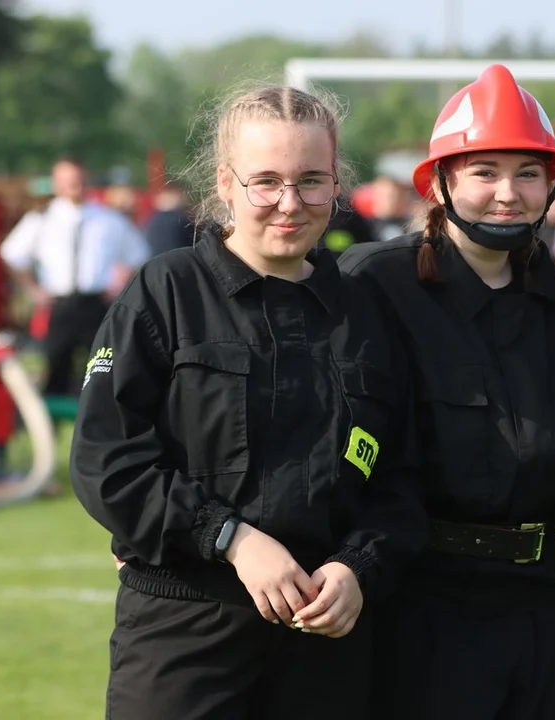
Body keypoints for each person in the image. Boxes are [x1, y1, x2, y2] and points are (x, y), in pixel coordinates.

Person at [68, 84, 427, 720]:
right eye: (266, 181)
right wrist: (230, 538)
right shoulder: (166, 290)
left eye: (312, 181)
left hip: (327, 639)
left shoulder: (369, 313)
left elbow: (401, 481)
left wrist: (358, 567)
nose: (290, 204)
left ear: (337, 183)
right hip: (184, 630)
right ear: (225, 182)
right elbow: (107, 461)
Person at [337, 63, 555, 720]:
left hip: (539, 607)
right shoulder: (374, 284)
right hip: (418, 607)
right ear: (441, 183)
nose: (507, 193)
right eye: (485, 171)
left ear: (553, 185)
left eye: (527, 172)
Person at [0, 157, 150, 396]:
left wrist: (120, 286)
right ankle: (54, 426)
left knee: (103, 367)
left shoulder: (108, 219)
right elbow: (12, 254)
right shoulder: (42, 219)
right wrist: (32, 290)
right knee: (56, 366)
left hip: (96, 304)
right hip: (60, 305)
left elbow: (138, 254)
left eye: (78, 180)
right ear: (57, 183)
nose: (73, 186)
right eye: (67, 181)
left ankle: (100, 422)